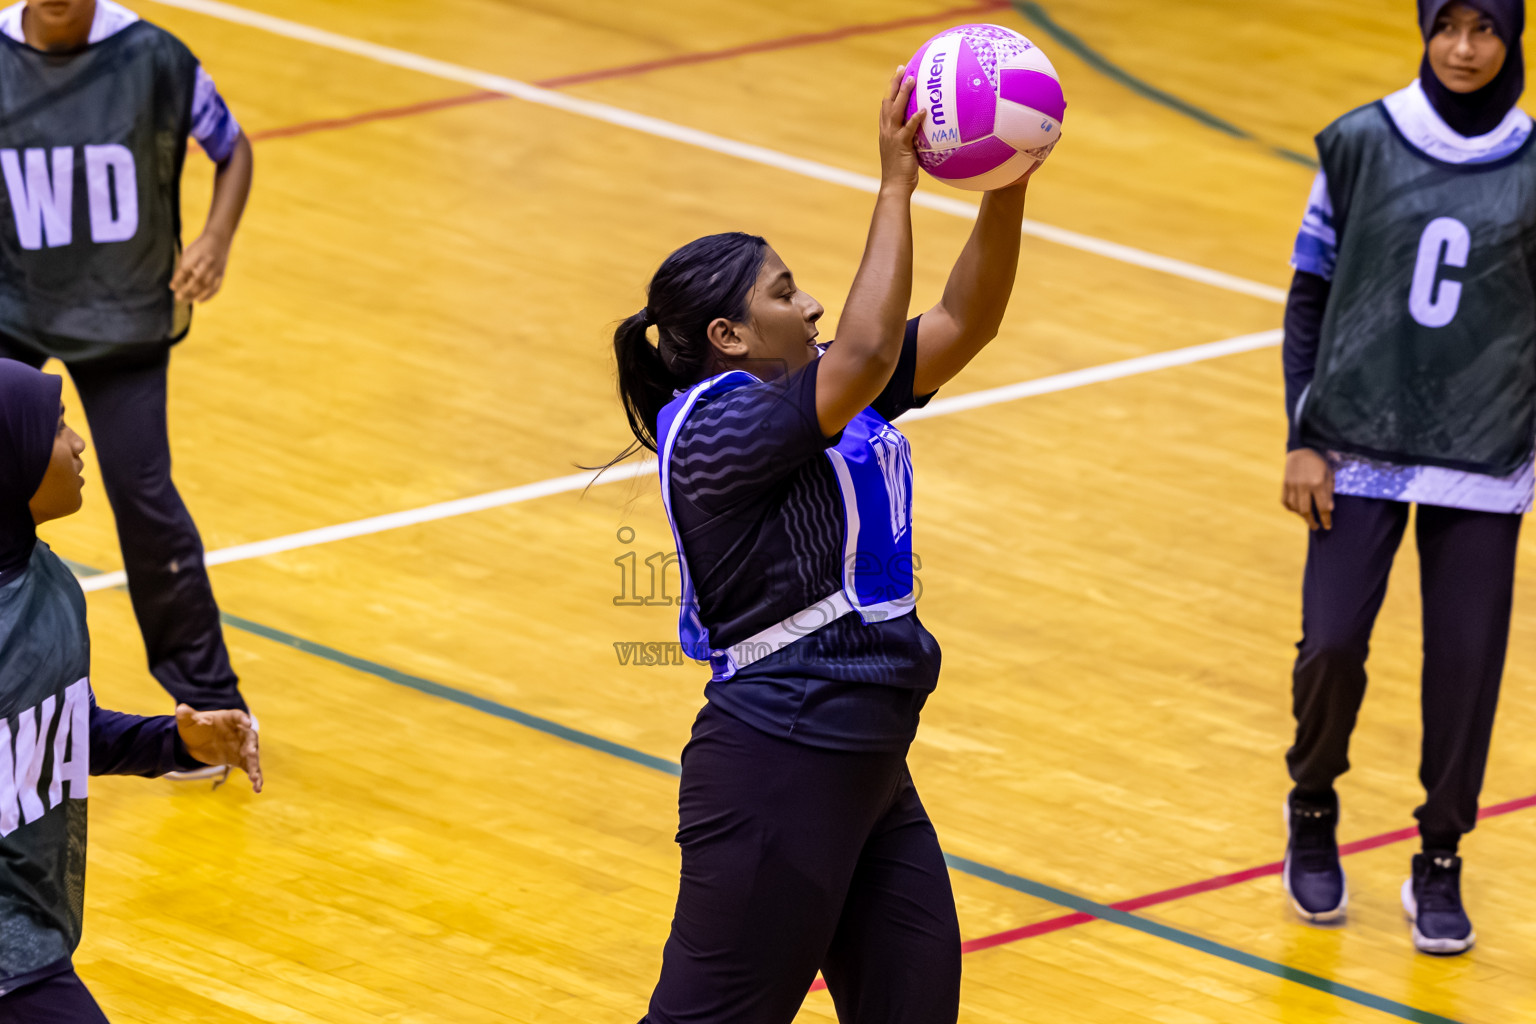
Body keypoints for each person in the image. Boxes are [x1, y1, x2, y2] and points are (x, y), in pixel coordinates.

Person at [614, 69, 1038, 1024]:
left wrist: (1005, 182)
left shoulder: (818, 397)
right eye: (785, 292)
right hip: (782, 752)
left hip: (870, 758)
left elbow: (967, 322)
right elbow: (866, 352)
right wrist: (895, 185)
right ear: (727, 336)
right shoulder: (718, 426)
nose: (808, 307)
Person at [1279, 0, 1530, 955]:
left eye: (1487, 29)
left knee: (1465, 666)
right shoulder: (1358, 144)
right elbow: (1308, 298)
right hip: (1356, 438)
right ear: (1425, 31)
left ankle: (1440, 854)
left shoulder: (1533, 162)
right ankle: (1311, 802)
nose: (1465, 49)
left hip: (1488, 448)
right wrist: (1302, 436)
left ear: (1512, 40)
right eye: (1449, 26)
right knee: (1332, 646)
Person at [0, 0, 255, 766]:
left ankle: (210, 711)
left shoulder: (156, 57)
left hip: (123, 311)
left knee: (145, 500)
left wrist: (214, 239)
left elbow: (233, 148)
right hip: (12, 304)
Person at [0, 359, 261, 1020]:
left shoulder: (49, 584)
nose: (80, 443)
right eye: (57, 428)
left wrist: (176, 743)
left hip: (29, 945)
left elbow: (57, 737)